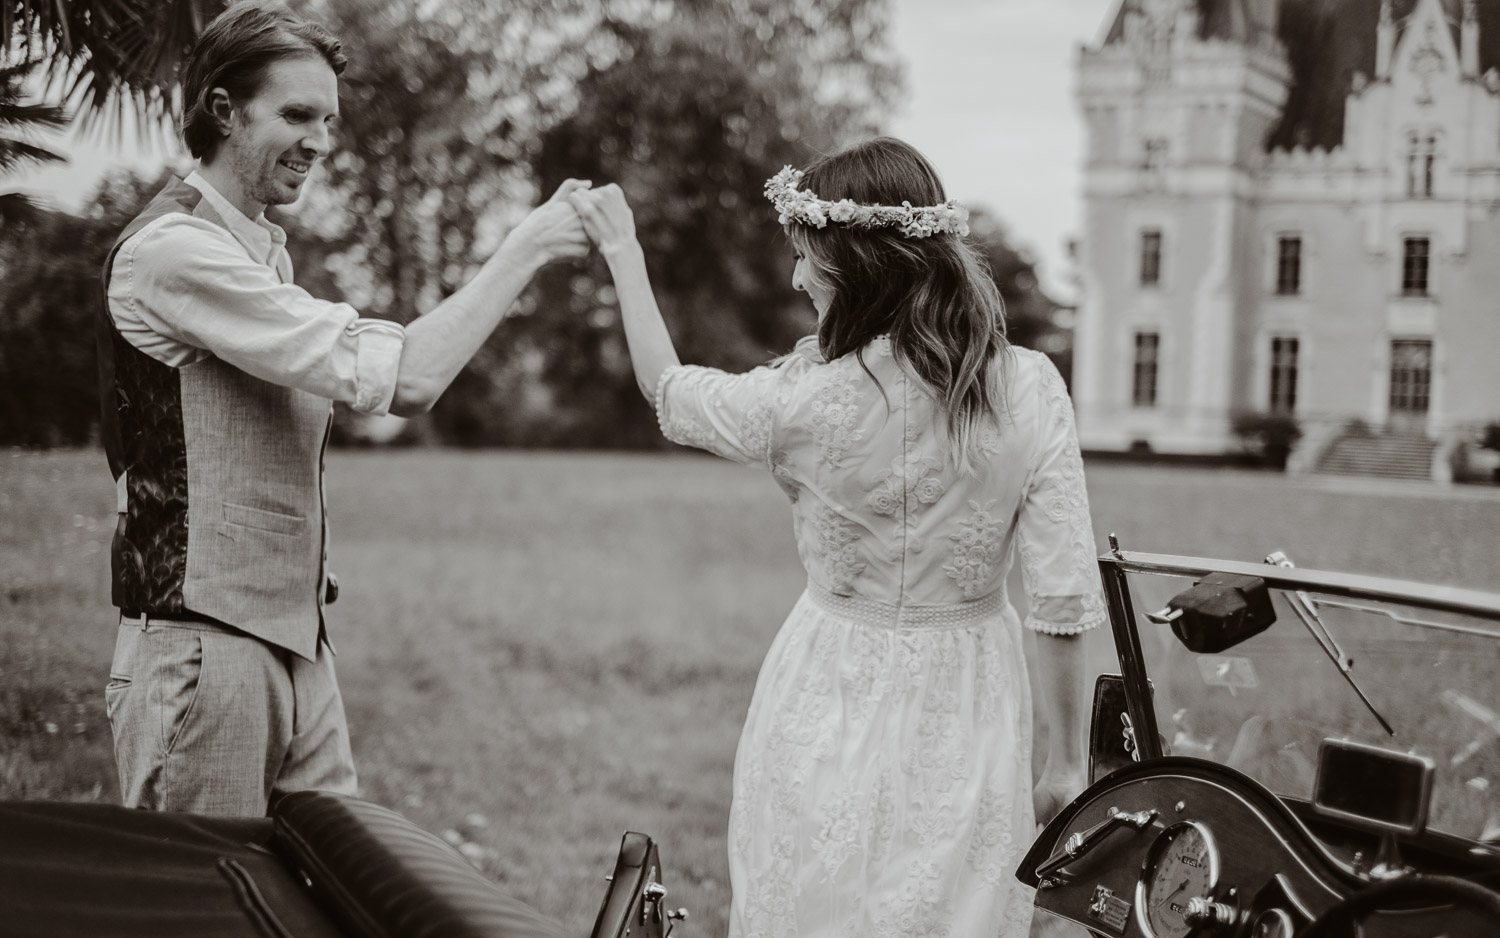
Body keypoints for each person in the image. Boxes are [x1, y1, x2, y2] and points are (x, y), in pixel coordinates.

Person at [569, 137, 1101, 936]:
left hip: (827, 681)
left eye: (805, 255)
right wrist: (1065, 766)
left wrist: (623, 251)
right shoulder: (1031, 388)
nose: (794, 277)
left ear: (857, 265)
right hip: (971, 692)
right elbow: (1061, 597)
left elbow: (669, 392)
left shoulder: (803, 402)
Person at [97, 1, 590, 815]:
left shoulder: (260, 254)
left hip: (295, 647)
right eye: (297, 114)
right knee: (211, 909)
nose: (321, 141)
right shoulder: (173, 252)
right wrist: (528, 243)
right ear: (223, 110)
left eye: (328, 119)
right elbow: (410, 380)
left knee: (331, 893)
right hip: (201, 654)